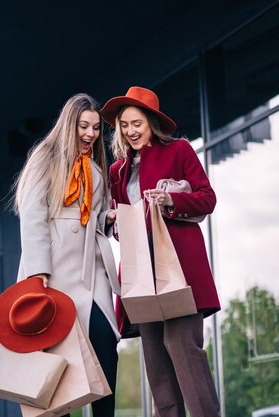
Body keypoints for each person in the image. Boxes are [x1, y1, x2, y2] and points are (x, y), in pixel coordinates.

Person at [101, 86, 221, 417]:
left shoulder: (179, 150)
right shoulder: (117, 171)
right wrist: (112, 218)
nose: (130, 131)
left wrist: (171, 200)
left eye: (136, 122)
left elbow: (207, 198)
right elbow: (121, 224)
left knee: (182, 347)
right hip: (141, 274)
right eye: (124, 125)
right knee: (155, 362)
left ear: (152, 121)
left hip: (180, 268)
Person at [13, 93, 120, 417]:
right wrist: (38, 273)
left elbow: (89, 218)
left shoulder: (95, 171)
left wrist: (106, 219)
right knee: (57, 363)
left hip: (90, 276)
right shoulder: (45, 157)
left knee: (105, 347)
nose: (90, 134)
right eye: (83, 126)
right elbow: (32, 216)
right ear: (69, 125)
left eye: (96, 128)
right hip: (53, 275)